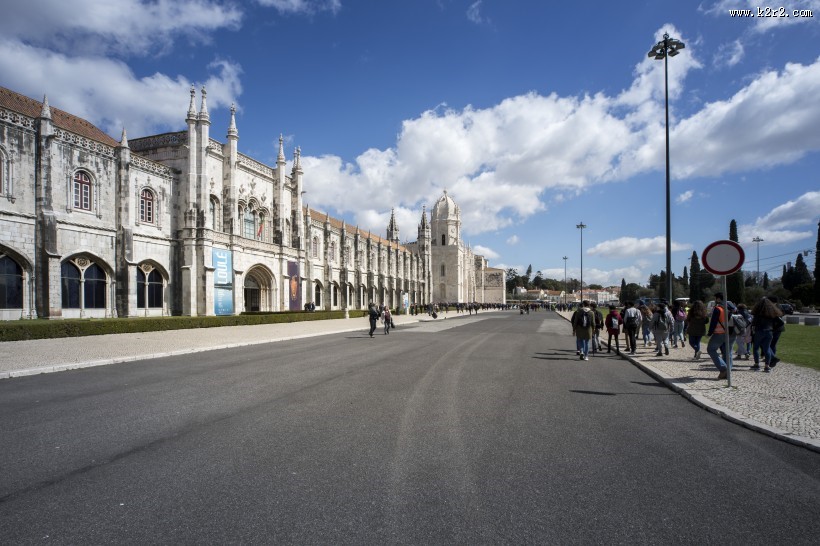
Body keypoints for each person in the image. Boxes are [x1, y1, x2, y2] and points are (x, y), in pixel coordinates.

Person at [750, 297, 784, 372]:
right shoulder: (772, 313)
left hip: (759, 331)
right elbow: (781, 322)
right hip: (769, 332)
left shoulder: (757, 313)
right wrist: (773, 328)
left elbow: (753, 323)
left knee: (756, 348)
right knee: (767, 348)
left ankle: (757, 364)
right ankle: (767, 366)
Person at [706, 292, 734, 380]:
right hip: (732, 333)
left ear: (718, 299)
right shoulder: (732, 307)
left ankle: (723, 368)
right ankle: (727, 372)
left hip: (720, 332)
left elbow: (713, 322)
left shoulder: (718, 308)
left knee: (711, 349)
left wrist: (709, 333)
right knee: (727, 352)